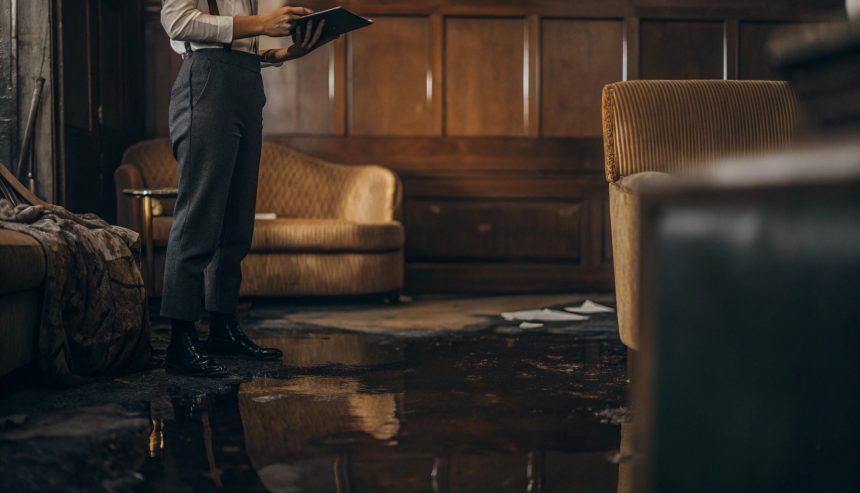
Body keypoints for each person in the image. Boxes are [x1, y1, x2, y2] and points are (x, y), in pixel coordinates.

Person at [160, 0, 333, 377]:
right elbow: (175, 21)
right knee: (199, 216)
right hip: (206, 82)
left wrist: (292, 51)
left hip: (246, 85)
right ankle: (181, 337)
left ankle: (222, 326)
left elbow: (250, 49)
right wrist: (261, 22)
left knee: (236, 222)